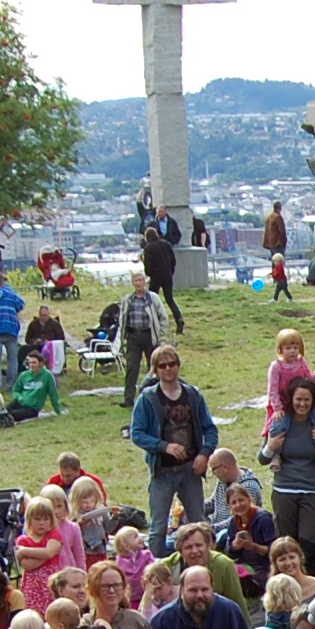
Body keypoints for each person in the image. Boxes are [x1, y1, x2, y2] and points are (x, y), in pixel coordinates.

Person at [130, 344, 218, 538]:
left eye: (172, 364)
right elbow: (136, 433)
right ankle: (156, 558)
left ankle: (205, 556)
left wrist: (205, 454)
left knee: (200, 523)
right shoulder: (148, 398)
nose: (168, 368)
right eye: (162, 366)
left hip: (191, 470)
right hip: (162, 472)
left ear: (178, 365)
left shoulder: (193, 395)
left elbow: (210, 429)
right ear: (155, 369)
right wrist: (164, 446)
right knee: (158, 527)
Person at [261, 377, 315, 556]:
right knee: (286, 544)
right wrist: (270, 447)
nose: (302, 404)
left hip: (312, 491)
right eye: (298, 399)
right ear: (291, 399)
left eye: (307, 400)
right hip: (284, 491)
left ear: (314, 400)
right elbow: (262, 459)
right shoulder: (280, 422)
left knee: (309, 543)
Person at [116, 271, 168, 401]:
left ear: (145, 282)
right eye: (136, 281)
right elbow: (122, 320)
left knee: (154, 367)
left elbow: (163, 318)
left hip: (149, 336)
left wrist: (161, 337)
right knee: (131, 367)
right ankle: (128, 398)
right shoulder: (127, 299)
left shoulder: (153, 298)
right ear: (133, 283)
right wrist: (122, 338)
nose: (139, 283)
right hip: (133, 336)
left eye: (141, 280)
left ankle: (156, 396)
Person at [140, 220, 185, 333]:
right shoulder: (166, 244)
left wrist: (148, 273)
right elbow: (173, 260)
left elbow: (148, 266)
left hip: (156, 277)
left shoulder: (148, 248)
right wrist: (171, 271)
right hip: (167, 275)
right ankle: (179, 319)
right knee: (170, 299)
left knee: (151, 300)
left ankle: (153, 323)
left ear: (147, 237)